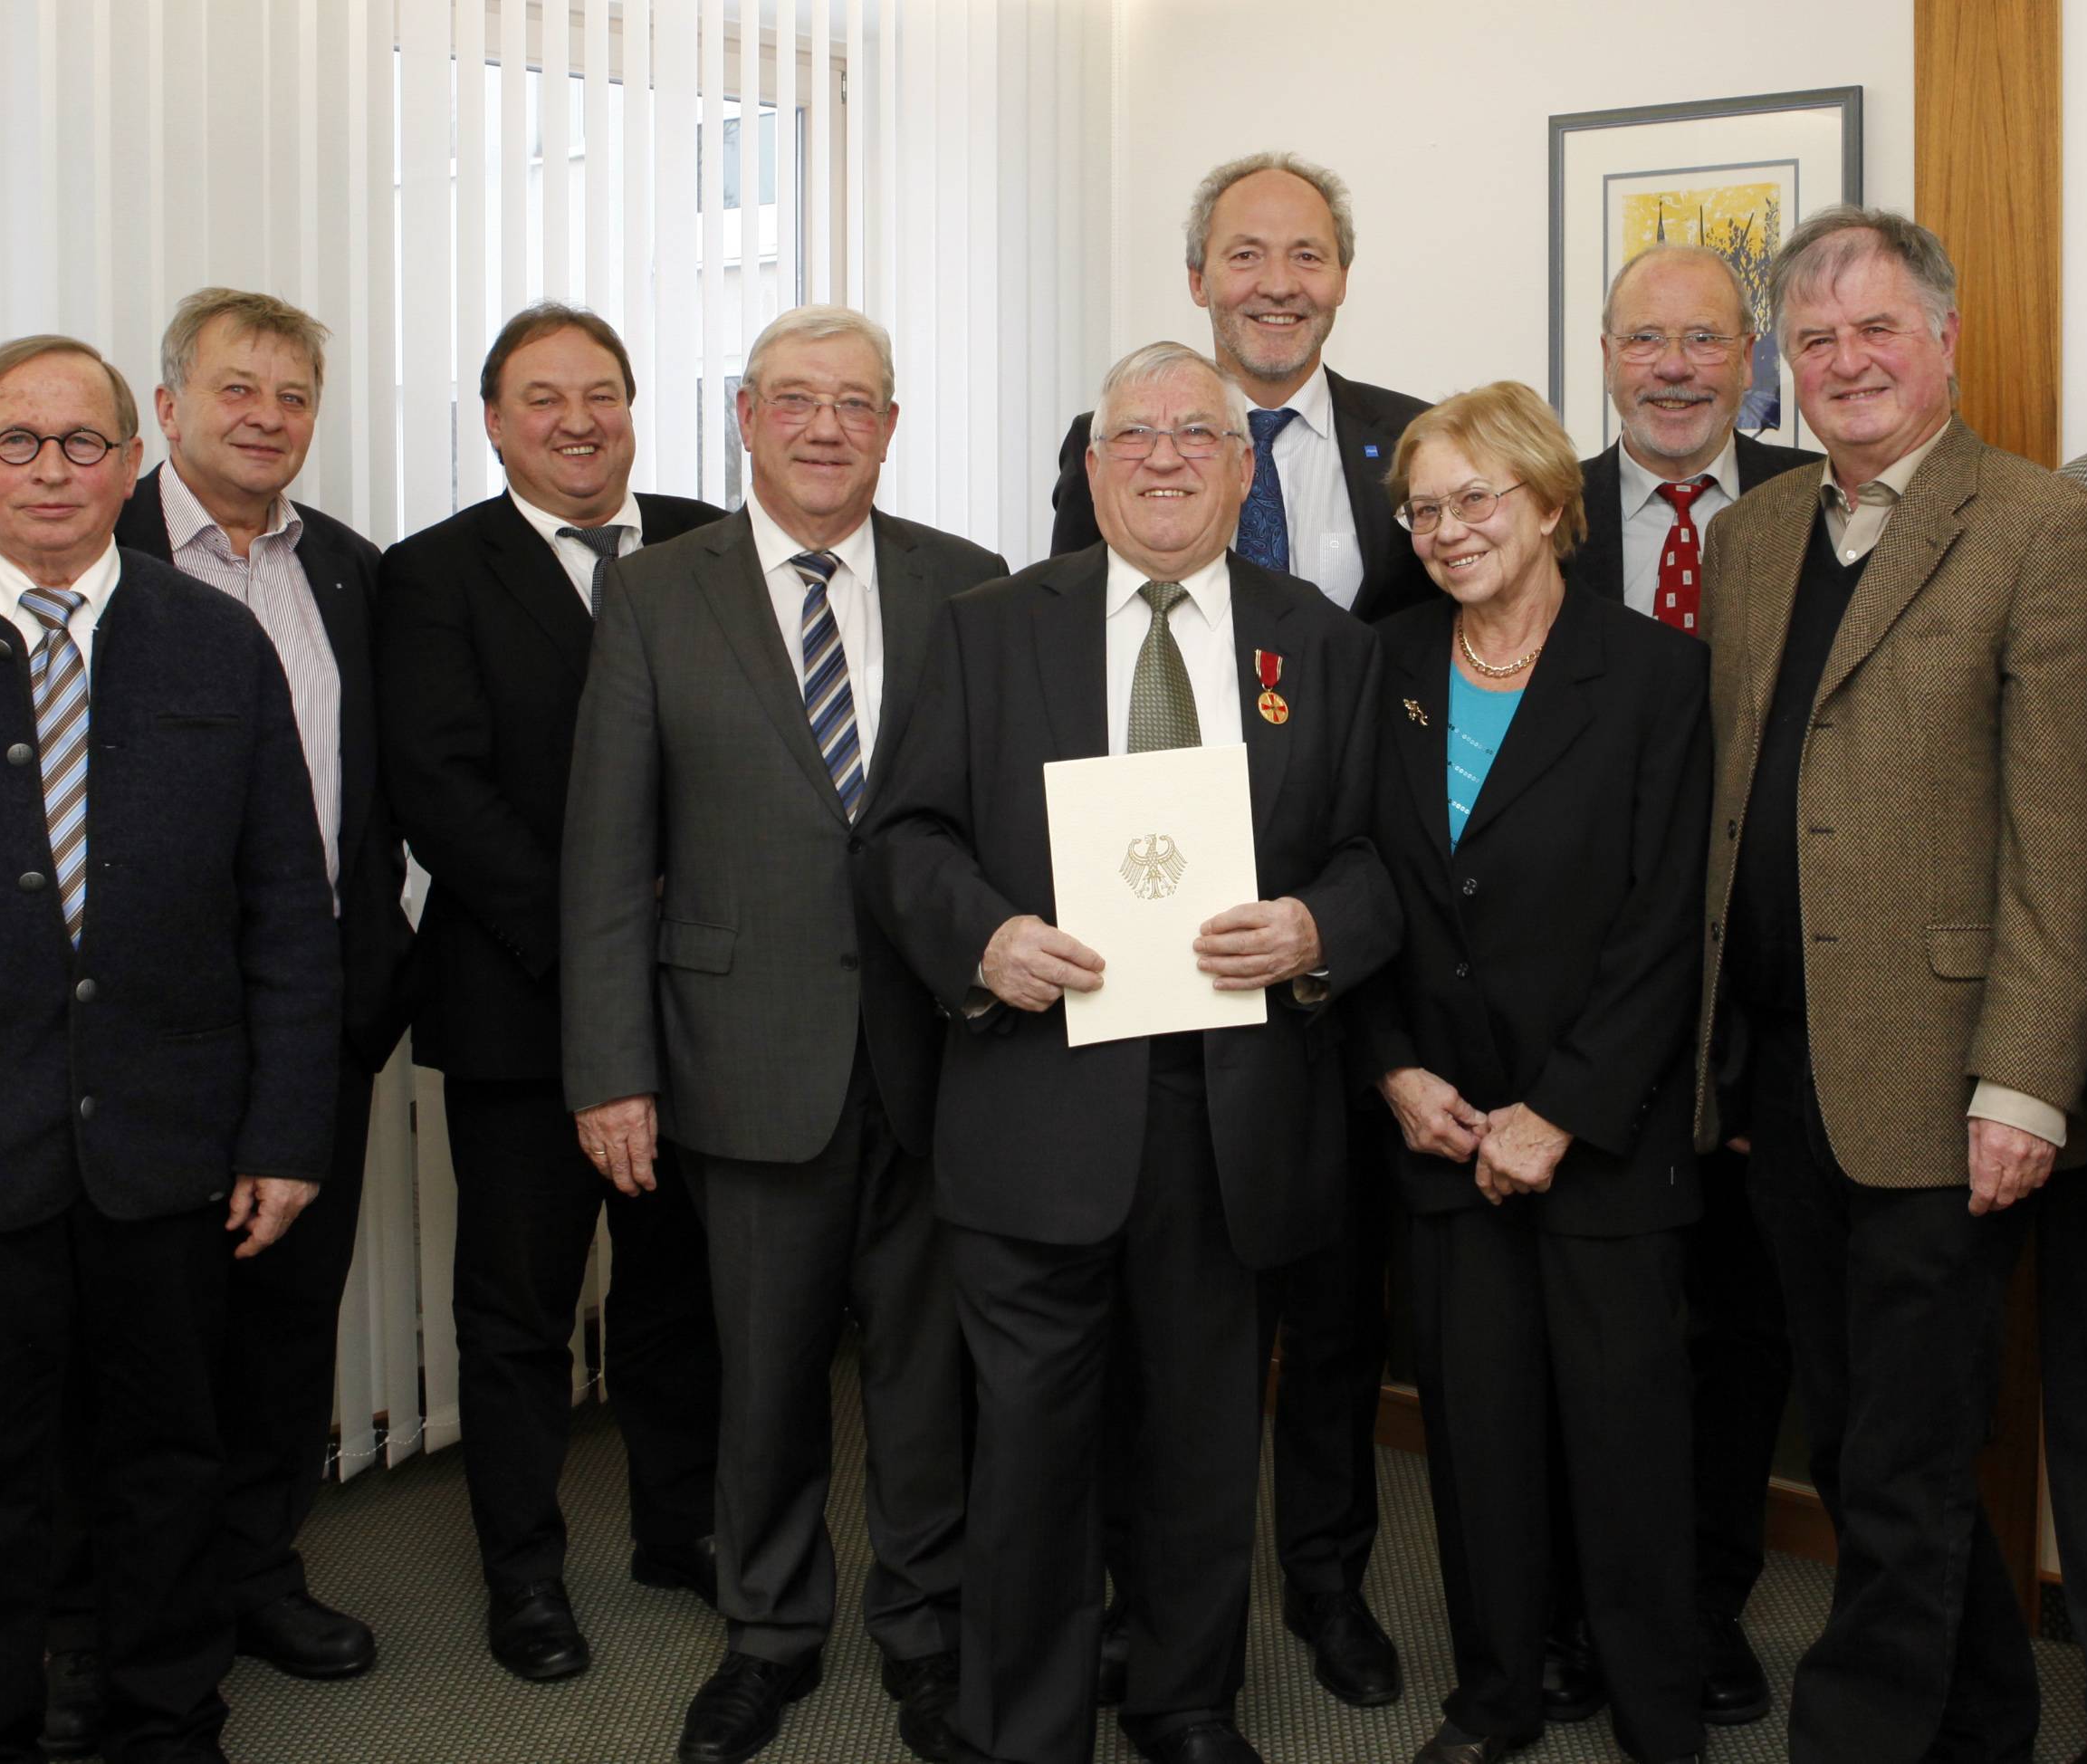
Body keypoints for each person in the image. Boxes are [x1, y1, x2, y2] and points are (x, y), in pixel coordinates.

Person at [0, 334, 340, 1764]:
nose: (51, 470)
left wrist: (287, 1133)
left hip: (172, 1154)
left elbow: (289, 911)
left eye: (83, 443)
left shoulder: (215, 645)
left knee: (171, 1471)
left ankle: (168, 1722)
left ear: (129, 457)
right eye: (18, 442)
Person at [857, 340, 1399, 1764]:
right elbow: (900, 840)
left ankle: (1183, 1700)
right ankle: (1022, 1724)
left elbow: (1375, 863)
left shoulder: (1322, 646)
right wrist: (979, 939)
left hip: (1233, 1112)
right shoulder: (985, 629)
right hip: (1040, 1100)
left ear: (1240, 465)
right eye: (1134, 437)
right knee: (1030, 1451)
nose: (1166, 457)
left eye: (1196, 435)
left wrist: (1310, 929)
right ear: (1091, 470)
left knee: (1204, 1440)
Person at [1689, 206, 2087, 1764]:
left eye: (1879, 329)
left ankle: (1858, 1740)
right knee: (1866, 1428)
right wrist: (1719, 1062)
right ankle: (1980, 1727)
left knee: (1905, 1453)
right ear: (1784, 369)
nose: (1849, 361)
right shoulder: (1751, 537)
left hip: (1950, 1083)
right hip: (1780, 1074)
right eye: (1815, 339)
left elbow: (2064, 843)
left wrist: (2024, 1080)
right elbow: (1742, 802)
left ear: (1945, 340)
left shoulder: (2044, 528)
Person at [562, 304, 1003, 1764]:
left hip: (949, 1055)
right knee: (762, 1375)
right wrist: (612, 1068)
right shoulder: (655, 596)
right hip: (742, 1056)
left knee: (927, 1381)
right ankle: (769, 1633)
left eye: (858, 403)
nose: (827, 428)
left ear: (892, 425)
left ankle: (925, 1635)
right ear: (745, 417)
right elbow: (608, 858)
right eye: (797, 401)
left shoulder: (972, 587)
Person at [1049, 149, 1428, 1710]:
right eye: (1246, 253)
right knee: (1168, 1324)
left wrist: (1334, 925)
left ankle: (1330, 1585)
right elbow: (1070, 675)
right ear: (1196, 273)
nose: (1277, 280)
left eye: (1309, 253)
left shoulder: (1412, 443)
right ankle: (1148, 1607)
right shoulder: (1124, 437)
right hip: (1164, 974)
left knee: (1334, 1304)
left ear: (1344, 274)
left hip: (1350, 951)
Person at [30, 288, 414, 1757]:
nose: (266, 417)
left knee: (279, 1325)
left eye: (294, 397)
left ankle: (255, 1568)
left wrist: (367, 984)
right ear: (167, 410)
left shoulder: (354, 578)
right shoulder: (82, 548)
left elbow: (374, 807)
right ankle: (96, 1623)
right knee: (120, 1341)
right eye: (236, 390)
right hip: (140, 1041)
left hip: (313, 1015)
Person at [1359, 380, 1711, 1764]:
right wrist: (1392, 1072)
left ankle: (1655, 1712)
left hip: (1599, 1133)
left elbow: (1668, 917)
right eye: (1423, 508)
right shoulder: (1378, 664)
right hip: (1441, 1126)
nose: (1447, 531)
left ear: (1553, 505)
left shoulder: (1656, 673)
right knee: (1478, 1441)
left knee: (1626, 1446)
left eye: (1476, 500)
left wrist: (1560, 1110)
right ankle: (1494, 1696)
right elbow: (1359, 886)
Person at [377, 302, 727, 1683]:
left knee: (677, 1292)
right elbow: (441, 795)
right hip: (520, 1005)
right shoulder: (433, 575)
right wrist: (602, 938)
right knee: (518, 1312)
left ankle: (678, 1527)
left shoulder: (715, 540)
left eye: (602, 393)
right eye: (543, 398)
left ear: (636, 407)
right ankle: (524, 1577)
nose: (578, 420)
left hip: (703, 1001)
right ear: (493, 421)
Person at [1556, 238, 1816, 1731]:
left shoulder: (1812, 505)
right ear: (1602, 350)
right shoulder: (1536, 510)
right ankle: (1577, 1607)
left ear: (1751, 357)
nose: (1674, 366)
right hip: (1572, 1003)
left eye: (1706, 341)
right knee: (1594, 1328)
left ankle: (1703, 1603)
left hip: (1757, 1003)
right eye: (1646, 338)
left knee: (1736, 1324)